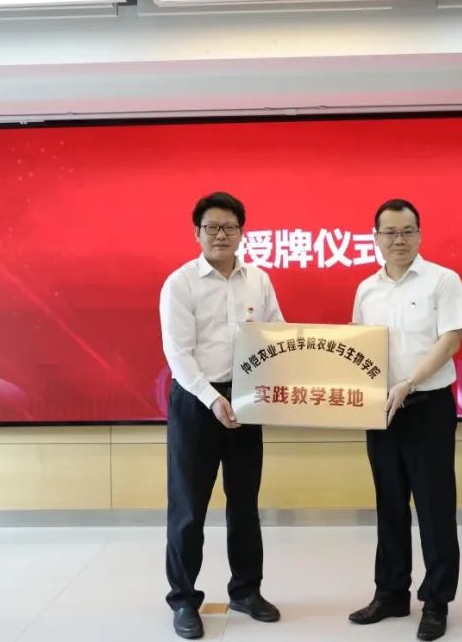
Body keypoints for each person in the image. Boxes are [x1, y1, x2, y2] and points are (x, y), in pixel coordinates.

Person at [159, 191, 284, 639]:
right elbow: (179, 353)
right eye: (211, 227)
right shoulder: (180, 284)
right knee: (189, 507)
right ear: (197, 233)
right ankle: (183, 599)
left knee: (245, 502)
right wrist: (212, 398)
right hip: (196, 402)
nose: (220, 235)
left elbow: (276, 335)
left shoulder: (259, 281)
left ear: (241, 232)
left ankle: (246, 591)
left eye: (229, 227)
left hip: (246, 399)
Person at [348, 199, 462, 641]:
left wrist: (409, 383)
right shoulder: (366, 289)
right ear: (375, 237)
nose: (399, 240)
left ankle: (436, 601)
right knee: (390, 503)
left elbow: (451, 339)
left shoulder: (443, 280)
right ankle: (391, 593)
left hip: (427, 406)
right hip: (380, 408)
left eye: (407, 231)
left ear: (419, 234)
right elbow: (357, 347)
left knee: (435, 506)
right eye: (390, 232)